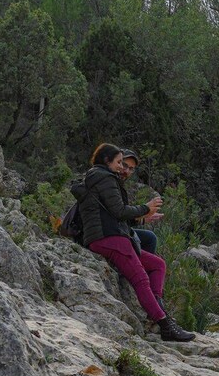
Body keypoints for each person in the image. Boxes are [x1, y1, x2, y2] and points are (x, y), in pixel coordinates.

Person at [72, 143, 195, 342]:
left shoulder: (98, 177)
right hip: (109, 238)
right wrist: (145, 208)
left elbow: (112, 211)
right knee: (141, 279)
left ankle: (158, 310)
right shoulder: (105, 178)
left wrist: (143, 217)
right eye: (119, 162)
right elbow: (119, 211)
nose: (122, 167)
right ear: (107, 161)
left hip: (109, 236)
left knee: (157, 265)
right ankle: (165, 325)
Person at [119, 148, 159, 255]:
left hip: (115, 229)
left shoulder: (119, 185)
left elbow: (117, 217)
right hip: (107, 234)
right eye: (124, 165)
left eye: (131, 169)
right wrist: (145, 208)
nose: (126, 171)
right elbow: (119, 213)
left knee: (150, 238)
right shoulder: (110, 183)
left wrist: (142, 220)